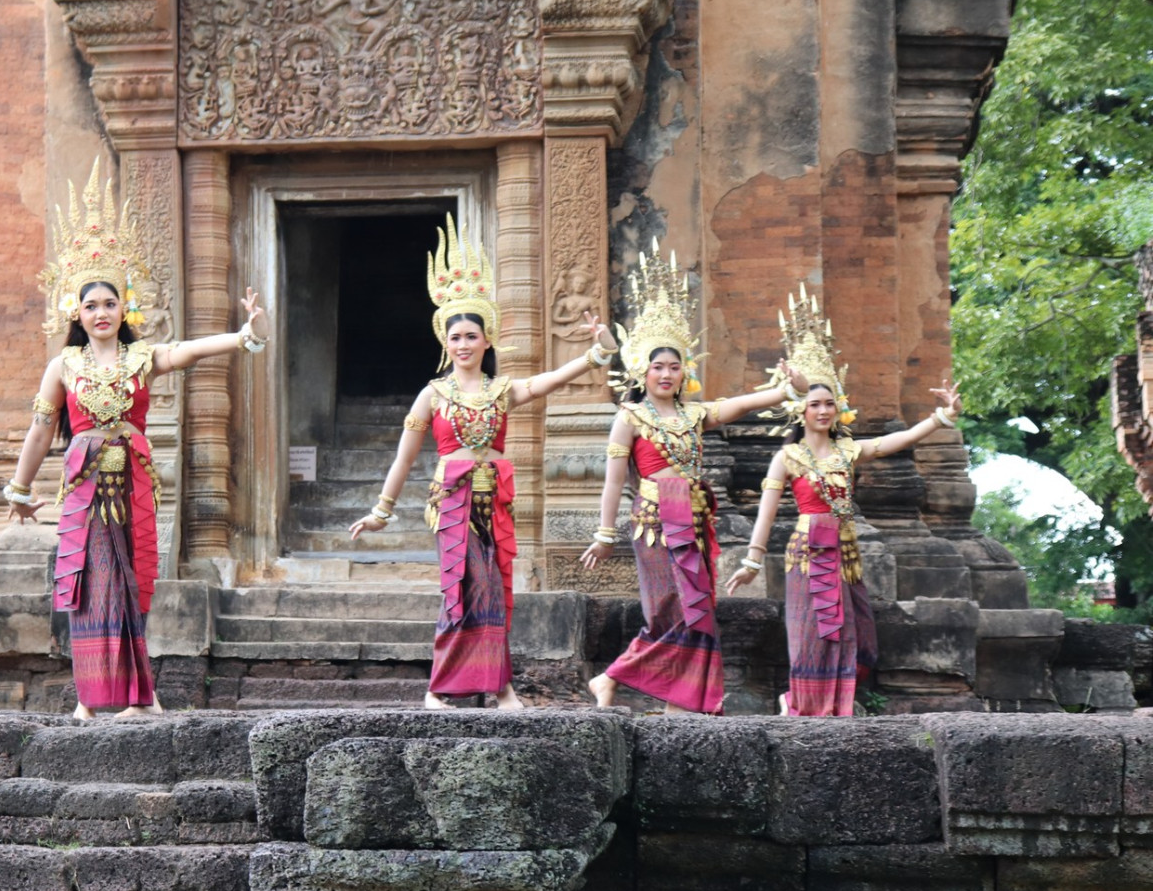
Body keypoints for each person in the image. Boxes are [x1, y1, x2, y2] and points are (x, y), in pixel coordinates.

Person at [5, 167, 268, 721]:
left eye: (109, 303)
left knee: (130, 579)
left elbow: (189, 351)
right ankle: (89, 696)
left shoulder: (142, 357)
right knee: (89, 576)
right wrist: (19, 486)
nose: (101, 313)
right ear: (74, 313)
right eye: (91, 305)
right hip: (84, 483)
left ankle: (139, 695)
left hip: (132, 482)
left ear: (125, 309)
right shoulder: (64, 364)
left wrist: (245, 336)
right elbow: (38, 428)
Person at [349, 219, 620, 708]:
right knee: (465, 586)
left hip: (494, 499)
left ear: (487, 341)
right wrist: (381, 511)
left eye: (472, 336)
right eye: (456, 338)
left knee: (495, 588)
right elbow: (404, 458)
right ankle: (441, 687)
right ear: (445, 343)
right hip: (452, 504)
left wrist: (595, 353)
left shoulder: (502, 390)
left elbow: (548, 381)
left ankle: (500, 687)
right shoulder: (431, 396)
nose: (464, 345)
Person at [581, 244, 807, 715]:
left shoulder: (694, 415)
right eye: (658, 366)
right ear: (642, 370)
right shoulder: (630, 416)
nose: (666, 373)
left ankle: (680, 699)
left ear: (685, 372)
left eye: (674, 366)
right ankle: (612, 677)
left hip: (696, 519)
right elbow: (612, 480)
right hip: (654, 520)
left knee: (699, 607)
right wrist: (605, 533)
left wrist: (786, 389)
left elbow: (742, 404)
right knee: (667, 609)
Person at [725, 288, 965, 715]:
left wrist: (940, 418)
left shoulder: (848, 450)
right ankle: (798, 700)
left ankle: (837, 704)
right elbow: (765, 513)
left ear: (838, 408)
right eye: (814, 403)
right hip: (806, 549)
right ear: (801, 411)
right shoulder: (787, 457)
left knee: (850, 631)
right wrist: (751, 561)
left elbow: (897, 441)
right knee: (810, 629)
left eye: (829, 402)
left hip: (846, 551)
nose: (822, 410)